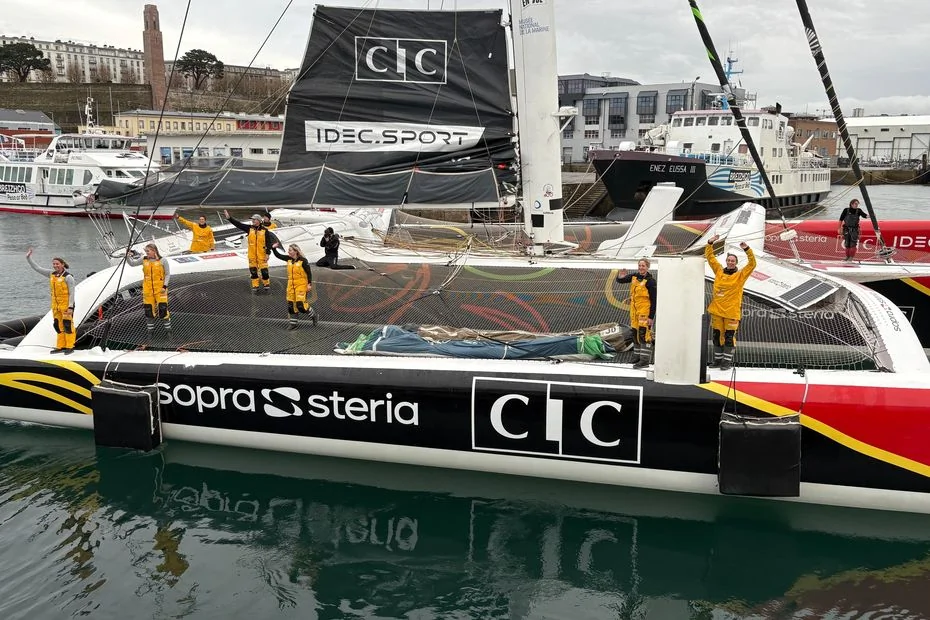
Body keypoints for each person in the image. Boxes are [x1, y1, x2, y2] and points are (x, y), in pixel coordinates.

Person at [705, 234, 756, 370]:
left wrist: (747, 249)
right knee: (716, 336)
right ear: (726, 261)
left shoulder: (740, 275)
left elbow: (752, 264)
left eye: (733, 260)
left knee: (728, 337)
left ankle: (726, 362)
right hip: (716, 310)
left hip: (731, 312)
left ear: (736, 262)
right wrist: (710, 243)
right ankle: (717, 361)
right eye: (729, 260)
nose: (730, 262)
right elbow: (710, 258)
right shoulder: (719, 271)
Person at [26, 248, 76, 354]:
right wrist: (28, 258)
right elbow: (37, 268)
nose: (55, 266)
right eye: (54, 264)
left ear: (62, 264)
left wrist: (70, 307)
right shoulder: (51, 274)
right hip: (56, 306)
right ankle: (61, 346)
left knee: (68, 325)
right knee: (58, 326)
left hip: (66, 306)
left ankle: (70, 346)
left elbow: (72, 292)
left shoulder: (68, 277)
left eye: (57, 264)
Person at [224, 210, 278, 293]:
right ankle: (255, 285)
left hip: (262, 255)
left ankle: (266, 284)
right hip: (252, 255)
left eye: (254, 219)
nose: (252, 221)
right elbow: (238, 224)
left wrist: (268, 253)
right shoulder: (249, 228)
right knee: (253, 272)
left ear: (259, 221)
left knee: (264, 272)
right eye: (252, 219)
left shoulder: (265, 231)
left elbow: (268, 243)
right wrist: (229, 218)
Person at [615, 259, 656, 368]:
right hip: (634, 312)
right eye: (639, 265)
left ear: (647, 267)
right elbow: (620, 281)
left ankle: (644, 361)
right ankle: (637, 356)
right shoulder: (634, 277)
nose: (641, 267)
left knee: (644, 335)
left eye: (643, 265)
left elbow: (654, 300)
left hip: (644, 312)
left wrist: (651, 317)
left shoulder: (650, 281)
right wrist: (620, 276)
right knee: (635, 334)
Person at [126, 243, 172, 338]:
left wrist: (164, 286)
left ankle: (168, 332)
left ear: (154, 251)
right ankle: (150, 333)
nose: (146, 253)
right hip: (148, 290)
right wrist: (127, 256)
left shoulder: (163, 260)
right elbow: (132, 264)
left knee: (163, 311)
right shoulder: (144, 259)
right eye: (146, 251)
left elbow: (167, 274)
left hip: (160, 290)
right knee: (149, 312)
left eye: (148, 251)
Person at [271, 242, 318, 330]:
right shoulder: (288, 259)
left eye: (290, 250)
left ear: (295, 251)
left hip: (301, 285)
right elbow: (278, 255)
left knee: (300, 305)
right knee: (291, 305)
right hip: (291, 286)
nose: (288, 252)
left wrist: (309, 284)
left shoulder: (303, 261)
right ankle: (293, 324)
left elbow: (309, 273)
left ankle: (314, 315)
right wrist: (273, 249)